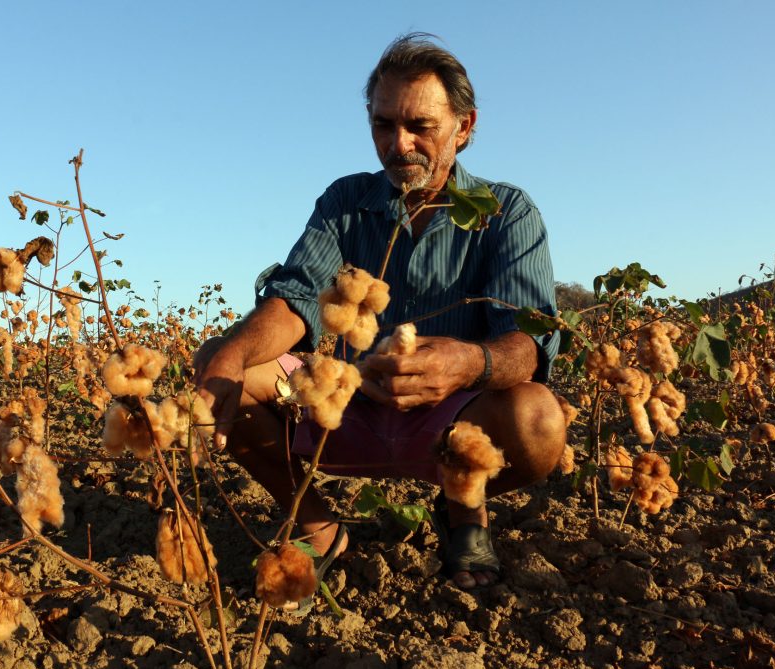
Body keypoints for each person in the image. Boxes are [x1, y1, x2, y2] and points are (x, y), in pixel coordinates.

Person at [194, 33, 566, 591]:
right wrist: (225, 360)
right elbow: (294, 301)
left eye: (421, 127)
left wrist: (464, 365)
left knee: (538, 420)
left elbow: (527, 344)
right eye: (383, 125)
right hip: (347, 409)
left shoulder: (506, 213)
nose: (400, 144)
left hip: (454, 422)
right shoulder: (346, 202)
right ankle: (317, 526)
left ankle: (463, 508)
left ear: (464, 128)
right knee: (226, 363)